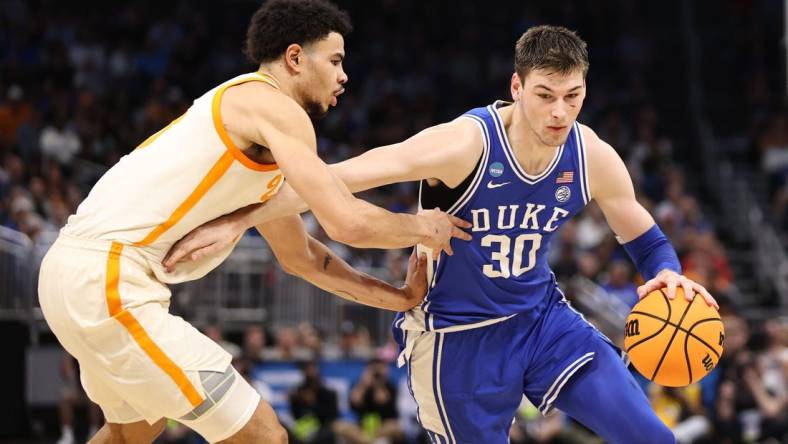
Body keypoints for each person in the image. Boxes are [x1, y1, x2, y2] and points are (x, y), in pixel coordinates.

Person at [165, 25, 720, 443]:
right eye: (546, 94)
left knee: (654, 437)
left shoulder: (590, 153)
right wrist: (238, 220)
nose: (559, 112)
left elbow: (645, 239)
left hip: (541, 319)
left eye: (573, 96)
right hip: (457, 337)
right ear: (517, 86)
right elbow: (337, 178)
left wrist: (667, 273)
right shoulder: (463, 145)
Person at [37, 1, 471, 442]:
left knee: (133, 432)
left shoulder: (258, 131)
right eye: (336, 61)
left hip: (76, 274)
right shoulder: (273, 107)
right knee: (265, 436)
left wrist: (398, 298)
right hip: (108, 278)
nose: (344, 76)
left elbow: (302, 257)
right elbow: (346, 222)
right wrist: (423, 227)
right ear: (296, 58)